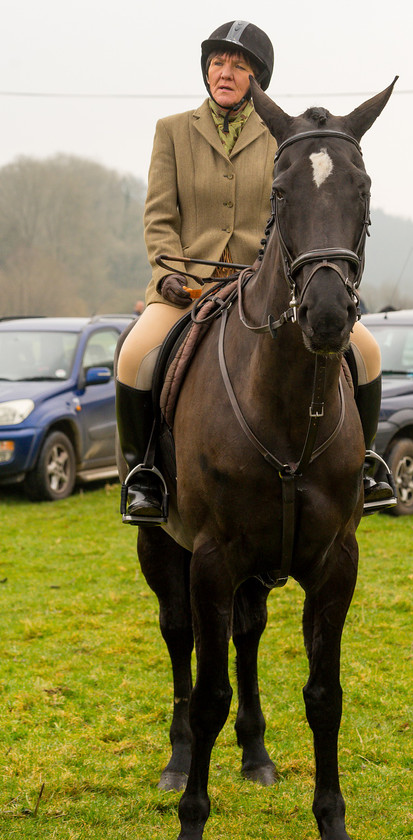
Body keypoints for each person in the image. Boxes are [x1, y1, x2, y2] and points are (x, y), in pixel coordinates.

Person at [116, 20, 395, 525]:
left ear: (257, 79)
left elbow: (299, 213)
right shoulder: (172, 131)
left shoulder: (279, 138)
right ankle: (145, 475)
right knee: (135, 357)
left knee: (368, 352)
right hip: (186, 285)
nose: (225, 73)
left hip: (260, 289)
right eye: (218, 63)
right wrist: (165, 273)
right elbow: (159, 217)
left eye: (239, 66)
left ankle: (366, 465)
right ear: (206, 70)